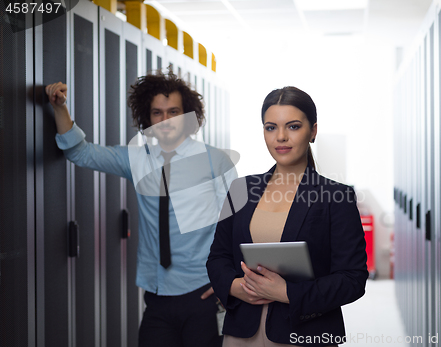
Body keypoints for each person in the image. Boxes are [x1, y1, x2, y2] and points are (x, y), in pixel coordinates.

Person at [45, 71, 237, 347]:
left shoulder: (215, 161)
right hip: (157, 297)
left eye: (174, 112)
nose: (166, 120)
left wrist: (228, 281)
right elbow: (80, 153)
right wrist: (59, 107)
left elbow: (235, 225)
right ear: (147, 118)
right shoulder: (137, 158)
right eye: (157, 113)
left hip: (203, 293)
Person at [206, 86, 368, 346]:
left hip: (304, 333)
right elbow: (218, 257)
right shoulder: (241, 189)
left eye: (293, 126)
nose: (281, 136)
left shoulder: (336, 196)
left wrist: (287, 293)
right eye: (271, 127)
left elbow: (352, 279)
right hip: (241, 332)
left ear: (312, 131)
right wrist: (235, 288)